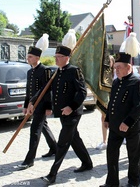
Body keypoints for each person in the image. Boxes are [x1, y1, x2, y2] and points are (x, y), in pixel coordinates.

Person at [28, 30, 93, 184]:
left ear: (67, 58)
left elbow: (82, 92)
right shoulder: (57, 72)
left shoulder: (74, 71)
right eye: (55, 57)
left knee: (63, 143)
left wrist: (71, 107)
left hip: (73, 113)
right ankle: (87, 162)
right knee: (74, 138)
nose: (56, 59)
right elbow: (45, 89)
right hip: (63, 113)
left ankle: (52, 174)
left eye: (59, 57)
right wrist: (32, 101)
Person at [100, 32, 140, 187]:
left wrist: (127, 122)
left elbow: (139, 106)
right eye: (115, 67)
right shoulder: (116, 82)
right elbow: (112, 102)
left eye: (119, 67)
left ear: (129, 67)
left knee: (133, 157)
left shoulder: (137, 82)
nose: (116, 70)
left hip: (131, 127)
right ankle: (112, 182)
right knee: (111, 154)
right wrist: (107, 119)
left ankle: (133, 182)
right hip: (115, 126)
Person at [16, 34, 57, 171]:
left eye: (30, 57)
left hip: (41, 105)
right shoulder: (29, 72)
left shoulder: (45, 70)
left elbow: (47, 90)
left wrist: (48, 107)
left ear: (37, 58)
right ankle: (54, 148)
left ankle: (29, 160)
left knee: (35, 131)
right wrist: (26, 105)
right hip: (33, 105)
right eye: (28, 57)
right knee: (43, 126)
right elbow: (29, 90)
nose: (28, 59)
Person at [96, 55, 115, 150]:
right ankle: (104, 140)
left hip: (114, 100)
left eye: (109, 61)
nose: (107, 63)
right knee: (103, 118)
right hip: (105, 100)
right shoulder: (102, 75)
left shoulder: (116, 74)